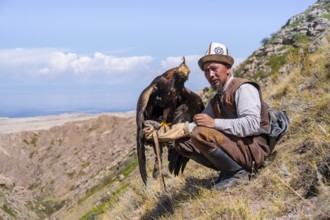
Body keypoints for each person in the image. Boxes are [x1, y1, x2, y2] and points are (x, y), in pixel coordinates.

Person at [144, 42, 271, 190]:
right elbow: (194, 125)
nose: (210, 75)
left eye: (214, 69)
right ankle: (227, 170)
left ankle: (238, 173)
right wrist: (165, 133)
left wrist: (214, 123)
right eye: (206, 71)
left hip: (255, 150)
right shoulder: (217, 99)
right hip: (240, 148)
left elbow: (252, 125)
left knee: (200, 133)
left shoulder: (243, 89)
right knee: (182, 141)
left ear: (228, 69)